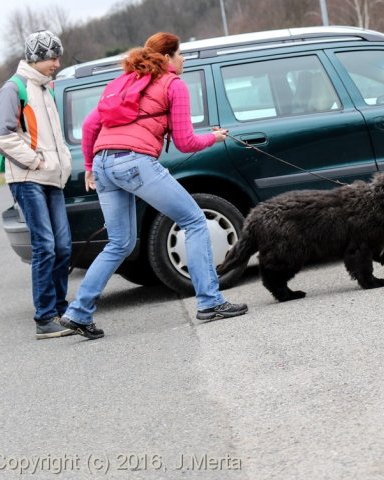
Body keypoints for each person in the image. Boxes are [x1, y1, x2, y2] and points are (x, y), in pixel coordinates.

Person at [60, 32, 248, 339]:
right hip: (135, 162)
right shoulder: (174, 84)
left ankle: (79, 313)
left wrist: (92, 168)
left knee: (119, 243)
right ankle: (210, 302)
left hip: (105, 164)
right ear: (169, 57)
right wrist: (215, 138)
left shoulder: (122, 82)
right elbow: (186, 142)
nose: (184, 59)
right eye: (181, 54)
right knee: (195, 221)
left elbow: (92, 126)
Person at [0, 30, 73, 339]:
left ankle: (61, 310)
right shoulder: (15, 89)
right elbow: (2, 136)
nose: (57, 62)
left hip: (52, 177)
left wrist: (60, 163)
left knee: (63, 246)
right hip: (28, 178)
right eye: (53, 57)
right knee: (46, 246)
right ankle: (44, 317)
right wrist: (35, 161)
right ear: (38, 59)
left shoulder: (45, 88)